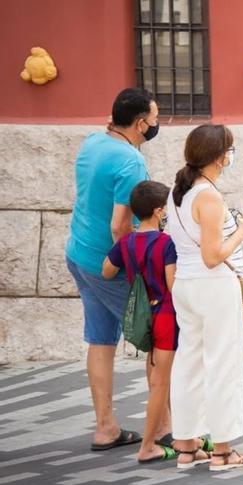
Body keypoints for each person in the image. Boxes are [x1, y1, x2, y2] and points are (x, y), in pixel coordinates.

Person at [65, 87, 158, 451]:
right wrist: (138, 276)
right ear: (139, 123)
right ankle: (163, 428)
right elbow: (121, 227)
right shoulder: (130, 161)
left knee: (100, 340)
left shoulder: (93, 142)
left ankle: (106, 427)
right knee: (157, 340)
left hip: (79, 254)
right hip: (108, 264)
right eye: (154, 119)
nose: (156, 125)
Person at [165, 124, 243, 470]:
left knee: (189, 363)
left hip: (187, 286)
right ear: (220, 156)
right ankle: (222, 450)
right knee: (223, 365)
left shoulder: (177, 194)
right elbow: (213, 255)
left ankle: (185, 446)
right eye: (230, 150)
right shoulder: (208, 196)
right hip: (213, 286)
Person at [102, 180, 179, 463]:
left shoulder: (127, 242)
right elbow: (172, 284)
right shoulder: (166, 242)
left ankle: (168, 431)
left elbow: (107, 271)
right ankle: (148, 446)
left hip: (143, 315)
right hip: (166, 316)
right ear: (159, 211)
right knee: (161, 382)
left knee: (156, 374)